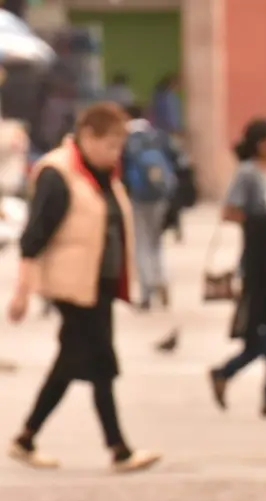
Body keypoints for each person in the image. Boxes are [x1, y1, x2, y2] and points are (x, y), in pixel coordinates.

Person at [5, 102, 160, 472]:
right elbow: (34, 236)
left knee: (72, 360)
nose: (115, 154)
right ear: (87, 137)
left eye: (119, 146)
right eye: (109, 145)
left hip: (99, 283)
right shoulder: (58, 174)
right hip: (72, 285)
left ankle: (26, 437)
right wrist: (22, 291)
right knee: (101, 362)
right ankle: (119, 449)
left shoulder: (101, 173)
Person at [208, 118, 266, 418]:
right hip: (258, 265)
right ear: (263, 144)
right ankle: (225, 371)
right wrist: (262, 225)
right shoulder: (248, 174)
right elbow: (231, 211)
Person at [124, 103, 181, 310]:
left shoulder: (126, 139)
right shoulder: (158, 136)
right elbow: (176, 158)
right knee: (156, 242)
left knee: (141, 242)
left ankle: (147, 290)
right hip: (160, 195)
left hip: (137, 196)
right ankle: (161, 279)